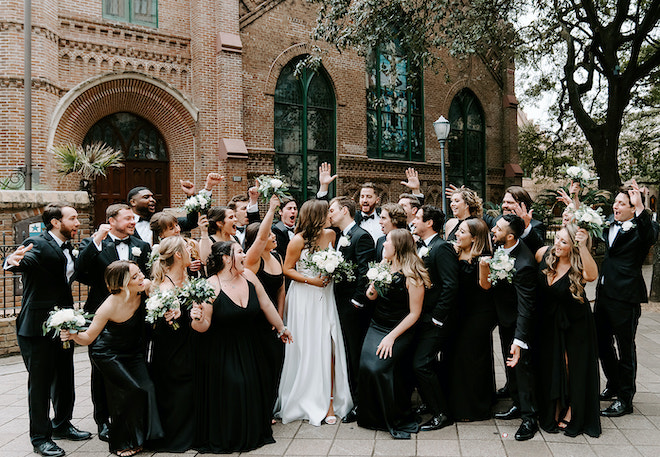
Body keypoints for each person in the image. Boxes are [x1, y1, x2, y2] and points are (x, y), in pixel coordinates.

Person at [3, 204, 91, 457]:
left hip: (63, 324)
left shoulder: (69, 247)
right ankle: (40, 438)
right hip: (36, 327)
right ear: (55, 222)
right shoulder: (38, 242)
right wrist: (11, 261)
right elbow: (22, 260)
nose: (77, 222)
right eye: (72, 218)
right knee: (40, 385)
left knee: (65, 377)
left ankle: (62, 425)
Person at [191, 241, 292, 453]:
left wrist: (282, 328)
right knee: (237, 382)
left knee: (254, 383)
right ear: (226, 258)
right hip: (221, 348)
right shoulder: (210, 285)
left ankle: (252, 432)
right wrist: (196, 317)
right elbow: (203, 326)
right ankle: (230, 435)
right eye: (239, 252)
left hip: (250, 343)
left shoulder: (249, 276)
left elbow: (266, 304)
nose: (244, 255)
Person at [61, 261, 169, 457]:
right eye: (135, 277)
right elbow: (88, 338)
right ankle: (120, 443)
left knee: (147, 388)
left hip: (133, 352)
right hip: (108, 354)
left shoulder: (145, 290)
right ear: (122, 284)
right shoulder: (108, 307)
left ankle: (142, 437)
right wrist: (73, 335)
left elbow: (165, 296)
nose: (142, 278)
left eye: (140, 273)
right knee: (129, 390)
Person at [77, 203, 151, 441]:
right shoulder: (94, 244)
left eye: (134, 218)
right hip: (104, 316)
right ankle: (103, 421)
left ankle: (136, 420)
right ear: (111, 221)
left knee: (136, 370)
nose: (133, 222)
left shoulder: (141, 246)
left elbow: (147, 278)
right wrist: (96, 240)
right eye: (128, 218)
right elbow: (79, 273)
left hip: (135, 319)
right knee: (102, 374)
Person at [276, 199, 353, 426]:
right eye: (327, 212)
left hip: (325, 296)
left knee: (328, 344)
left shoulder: (330, 235)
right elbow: (287, 269)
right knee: (307, 345)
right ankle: (306, 396)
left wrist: (332, 273)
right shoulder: (297, 240)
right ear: (317, 215)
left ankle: (330, 401)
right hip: (304, 297)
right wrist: (312, 280)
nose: (331, 215)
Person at [358, 229, 430, 439]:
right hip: (377, 324)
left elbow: (414, 313)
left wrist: (391, 337)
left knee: (380, 367)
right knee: (365, 366)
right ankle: (371, 416)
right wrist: (378, 272)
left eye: (387, 242)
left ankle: (394, 415)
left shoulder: (412, 275)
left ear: (397, 246)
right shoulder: (385, 266)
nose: (383, 245)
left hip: (400, 328)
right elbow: (370, 297)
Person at [596, 180, 659, 417]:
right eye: (615, 202)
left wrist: (642, 206)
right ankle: (612, 384)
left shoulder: (642, 228)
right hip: (603, 295)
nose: (616, 206)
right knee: (602, 344)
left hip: (625, 297)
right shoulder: (609, 224)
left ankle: (625, 399)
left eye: (622, 203)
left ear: (633, 208)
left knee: (625, 348)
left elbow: (651, 234)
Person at [535, 224, 601, 437]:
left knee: (571, 366)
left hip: (576, 324)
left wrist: (583, 246)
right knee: (554, 365)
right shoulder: (544, 257)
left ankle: (573, 410)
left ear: (573, 246)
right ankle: (554, 407)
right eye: (557, 239)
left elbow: (592, 276)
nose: (557, 244)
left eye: (564, 241)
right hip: (550, 324)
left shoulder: (579, 266)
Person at [487, 214, 539, 441]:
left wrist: (520, 338)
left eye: (497, 229)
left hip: (521, 325)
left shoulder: (525, 263)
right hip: (505, 320)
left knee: (522, 370)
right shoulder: (502, 249)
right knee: (511, 369)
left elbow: (526, 306)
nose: (493, 231)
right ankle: (517, 405)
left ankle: (530, 418)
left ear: (510, 236)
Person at [410, 205, 459, 432]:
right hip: (421, 316)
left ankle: (442, 413)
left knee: (421, 363)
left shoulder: (442, 248)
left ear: (429, 223)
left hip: (436, 320)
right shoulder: (420, 247)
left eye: (418, 217)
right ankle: (431, 404)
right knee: (421, 363)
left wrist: (437, 318)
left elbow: (451, 285)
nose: (414, 220)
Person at [327, 196, 376, 422]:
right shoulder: (340, 236)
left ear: (345, 211)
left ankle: (360, 403)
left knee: (354, 352)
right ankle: (350, 396)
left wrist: (357, 301)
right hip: (338, 301)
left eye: (332, 210)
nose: (329, 213)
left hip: (353, 306)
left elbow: (365, 272)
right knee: (345, 351)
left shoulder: (361, 236)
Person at [147, 236, 197, 451]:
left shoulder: (189, 278)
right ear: (178, 254)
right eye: (187, 248)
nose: (190, 250)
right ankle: (176, 434)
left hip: (191, 342)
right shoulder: (164, 288)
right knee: (177, 386)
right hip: (172, 347)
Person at [447, 218, 497, 421]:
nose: (457, 234)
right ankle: (455, 402)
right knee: (455, 356)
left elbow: (486, 287)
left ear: (474, 238)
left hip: (479, 313)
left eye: (462, 232)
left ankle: (475, 407)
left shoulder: (484, 258)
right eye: (457, 231)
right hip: (458, 312)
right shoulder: (454, 253)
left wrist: (484, 268)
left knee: (472, 357)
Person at [245, 195, 286, 418]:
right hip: (256, 320)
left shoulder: (277, 256)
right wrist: (270, 210)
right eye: (270, 234)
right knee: (259, 365)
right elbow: (261, 236)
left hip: (274, 321)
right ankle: (259, 410)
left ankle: (270, 405)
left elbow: (281, 291)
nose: (273, 237)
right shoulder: (252, 260)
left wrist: (279, 320)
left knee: (275, 361)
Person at [126, 172, 223, 245]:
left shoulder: (164, 220)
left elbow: (191, 222)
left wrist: (195, 194)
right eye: (146, 197)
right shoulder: (122, 224)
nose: (152, 200)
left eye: (152, 197)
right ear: (133, 202)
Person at [150, 211, 209, 276]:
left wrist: (199, 266)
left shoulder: (192, 244)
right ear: (161, 234)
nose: (178, 230)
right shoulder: (158, 250)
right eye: (171, 228)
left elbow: (205, 267)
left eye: (177, 225)